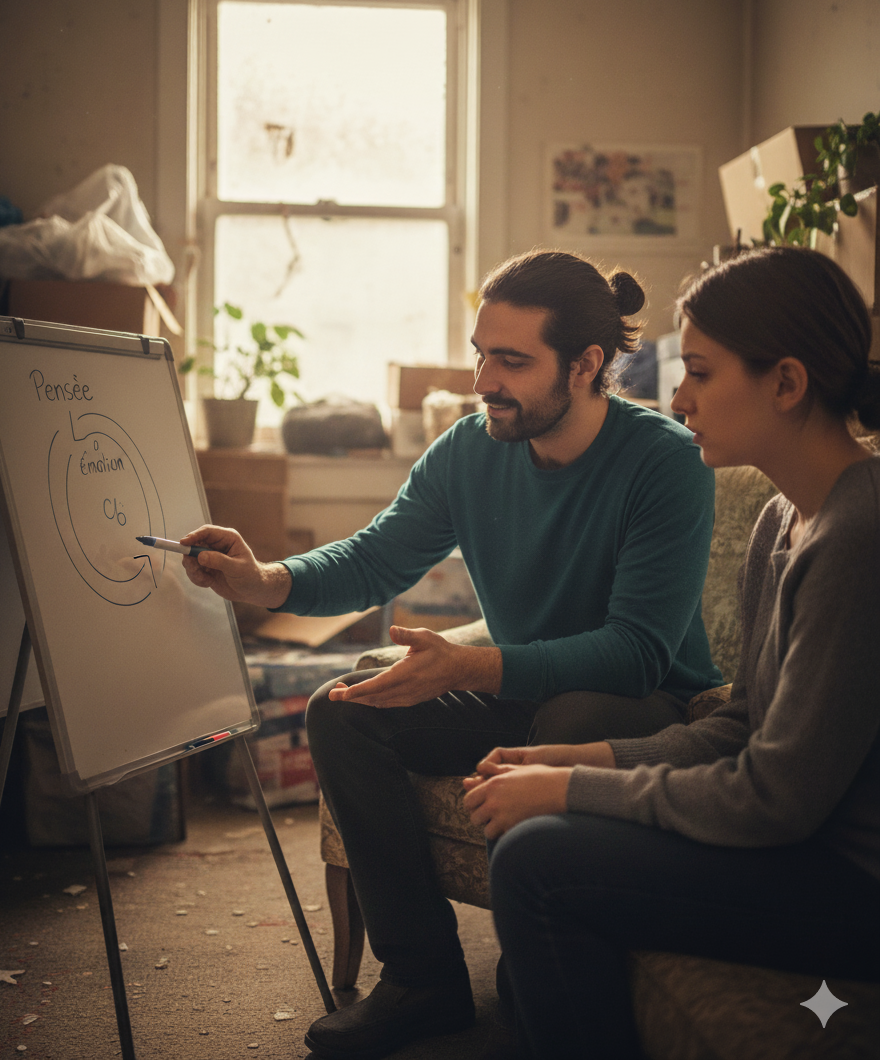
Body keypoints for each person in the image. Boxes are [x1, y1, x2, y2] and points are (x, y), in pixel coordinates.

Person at [180, 249, 723, 1060]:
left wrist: (475, 667)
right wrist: (264, 581)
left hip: (637, 707)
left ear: (585, 365)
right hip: (519, 687)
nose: (482, 381)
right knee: (343, 712)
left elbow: (637, 655)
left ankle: (540, 952)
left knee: (570, 712)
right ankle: (424, 980)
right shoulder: (471, 449)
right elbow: (374, 558)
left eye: (511, 360)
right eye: (480, 352)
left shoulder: (665, 461)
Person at [463, 245, 880, 1059]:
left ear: (787, 384)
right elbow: (741, 727)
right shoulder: (782, 521)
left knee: (538, 863)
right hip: (802, 842)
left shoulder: (858, 537)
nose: (678, 397)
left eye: (699, 372)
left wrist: (574, 790)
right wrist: (574, 757)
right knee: (535, 865)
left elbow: (773, 798)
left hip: (853, 884)